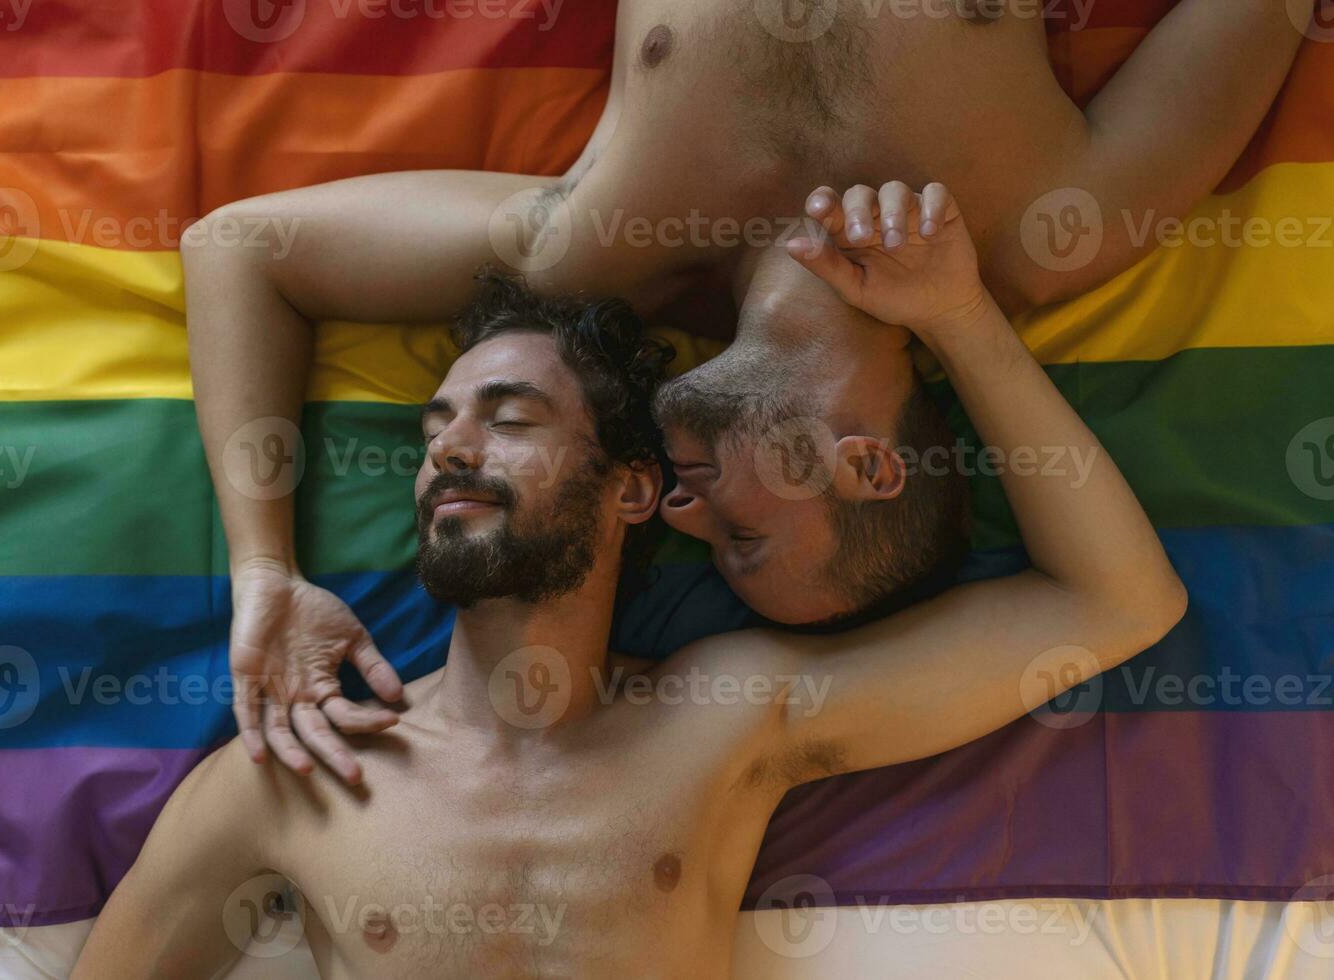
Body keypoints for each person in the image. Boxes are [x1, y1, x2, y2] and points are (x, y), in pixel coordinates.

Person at [74, 182, 1186, 977]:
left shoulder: (728, 717)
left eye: (509, 419)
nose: (450, 449)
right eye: (437, 426)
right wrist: (261, 571)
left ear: (633, 489)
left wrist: (957, 316)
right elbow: (238, 242)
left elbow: (1116, 601)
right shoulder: (292, 770)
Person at [181, 0, 1306, 772]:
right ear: (864, 465)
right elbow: (1123, 600)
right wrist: (963, 318)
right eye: (745, 541)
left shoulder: (597, 248)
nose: (678, 510)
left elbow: (239, 248)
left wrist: (263, 572)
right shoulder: (1056, 226)